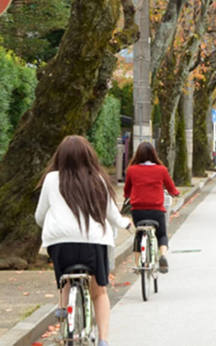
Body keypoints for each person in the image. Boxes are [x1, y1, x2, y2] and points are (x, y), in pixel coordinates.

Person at [35, 135, 131, 346]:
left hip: (60, 243)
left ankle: (63, 305)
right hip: (94, 242)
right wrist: (125, 223)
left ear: (60, 157)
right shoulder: (98, 178)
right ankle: (103, 340)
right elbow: (112, 214)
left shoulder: (51, 179)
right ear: (89, 156)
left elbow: (39, 216)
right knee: (99, 292)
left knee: (66, 276)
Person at [124, 142, 179, 273]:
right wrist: (176, 193)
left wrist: (127, 196)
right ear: (154, 154)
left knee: (139, 234)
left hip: (138, 212)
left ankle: (138, 264)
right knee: (161, 235)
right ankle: (163, 256)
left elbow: (127, 190)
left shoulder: (131, 170)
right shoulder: (161, 170)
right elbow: (171, 188)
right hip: (156, 211)